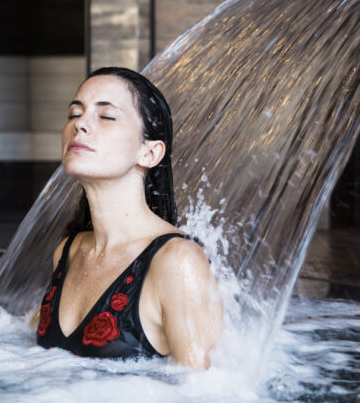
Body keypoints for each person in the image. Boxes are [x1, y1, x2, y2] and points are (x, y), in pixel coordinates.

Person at [35, 67, 222, 369]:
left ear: (149, 153)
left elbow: (201, 396)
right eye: (74, 114)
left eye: (106, 116)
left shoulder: (177, 262)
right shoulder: (68, 252)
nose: (80, 124)